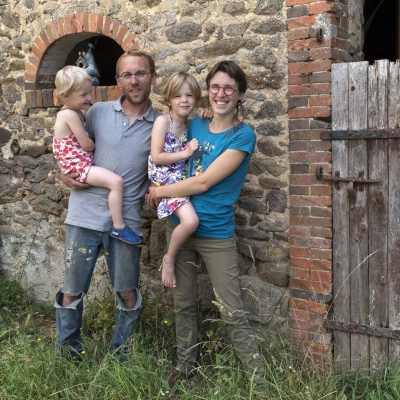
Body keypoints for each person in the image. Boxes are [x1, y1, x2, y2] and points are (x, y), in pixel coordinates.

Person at [148, 60, 265, 386]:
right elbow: (164, 149)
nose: (221, 93)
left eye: (229, 88)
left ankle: (260, 382)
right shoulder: (195, 125)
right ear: (208, 91)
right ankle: (186, 368)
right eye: (215, 87)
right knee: (183, 304)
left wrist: (159, 191)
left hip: (215, 233)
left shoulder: (243, 136)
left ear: (240, 93)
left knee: (232, 310)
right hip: (180, 226)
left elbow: (202, 184)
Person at [54, 50, 160, 360]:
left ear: (153, 78)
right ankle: (68, 354)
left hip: (124, 222)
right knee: (72, 290)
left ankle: (122, 355)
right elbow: (69, 149)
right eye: (127, 75)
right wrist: (65, 175)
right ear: (118, 81)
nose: (134, 80)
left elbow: (174, 152)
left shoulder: (159, 124)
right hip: (83, 217)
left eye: (140, 73)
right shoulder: (95, 111)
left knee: (127, 292)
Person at [53, 66, 142, 245]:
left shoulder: (77, 111)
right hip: (79, 167)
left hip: (78, 164)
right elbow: (86, 144)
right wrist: (95, 143)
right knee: (116, 183)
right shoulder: (69, 114)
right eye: (83, 95)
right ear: (65, 96)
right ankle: (119, 226)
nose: (89, 98)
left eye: (89, 92)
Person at [148, 72, 202, 288]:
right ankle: (168, 258)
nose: (184, 101)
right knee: (191, 221)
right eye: (178, 96)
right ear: (169, 99)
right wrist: (185, 153)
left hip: (182, 180)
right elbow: (157, 156)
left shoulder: (192, 126)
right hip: (165, 182)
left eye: (189, 95)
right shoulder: (163, 122)